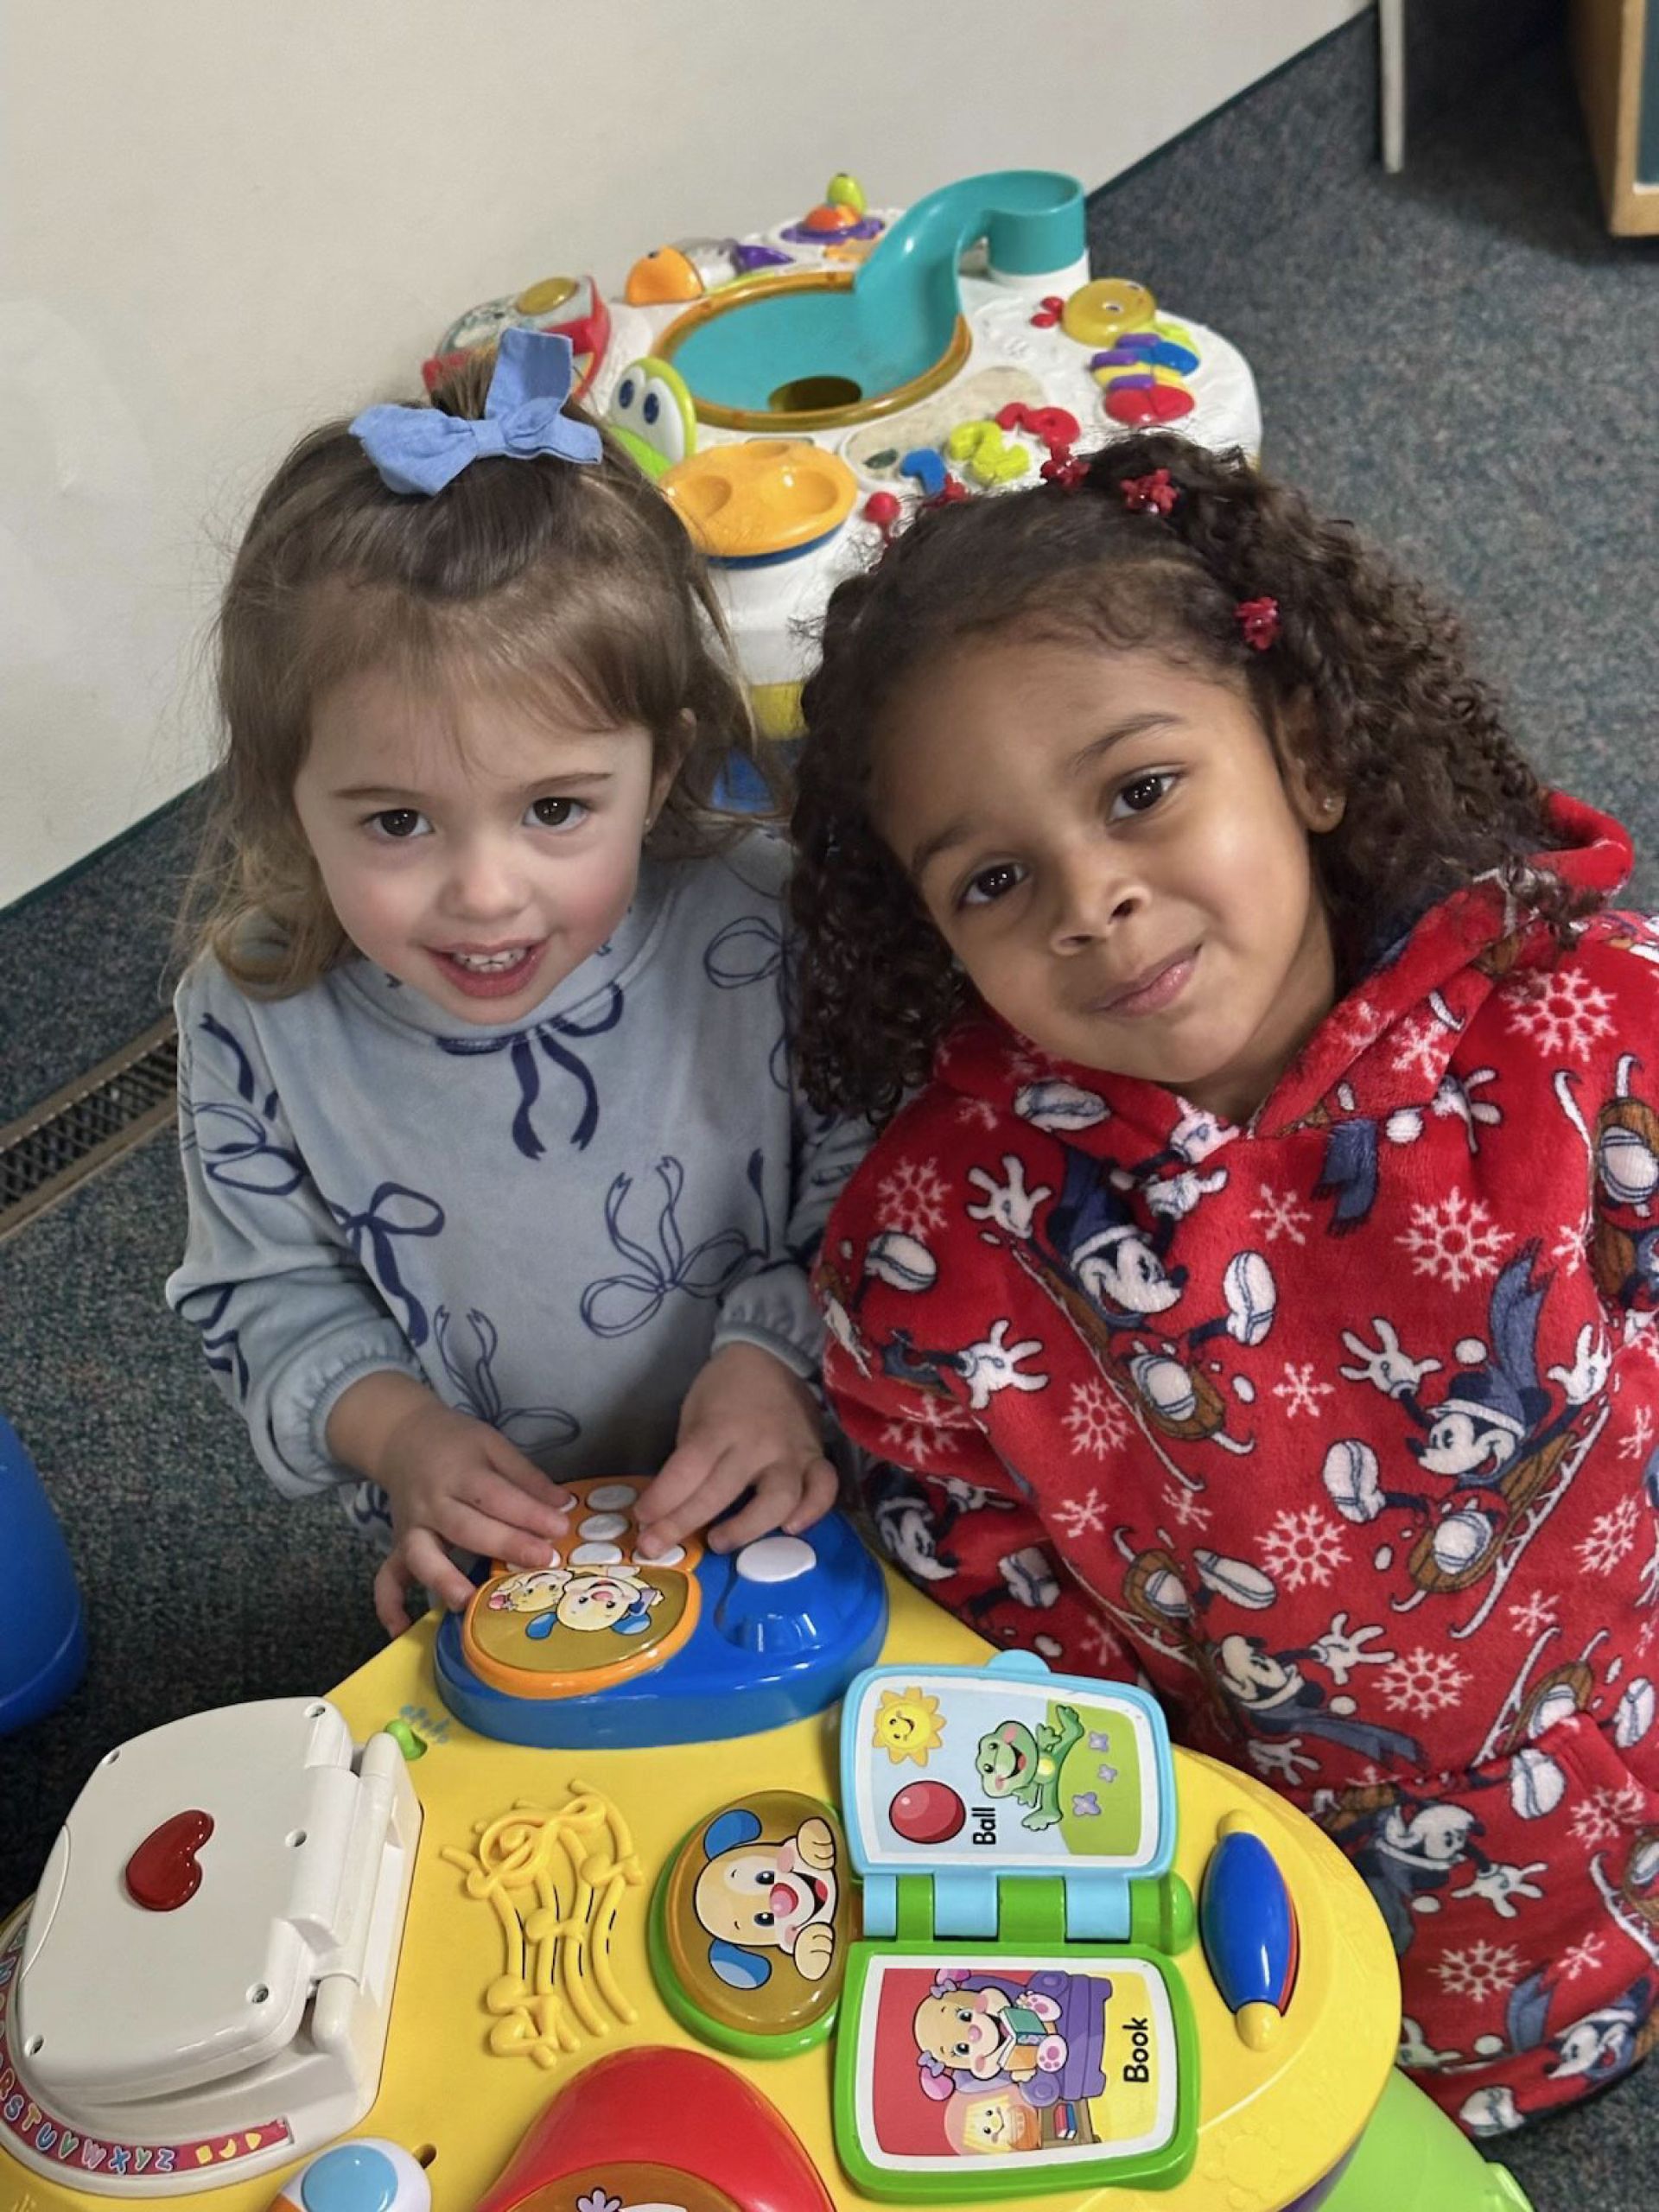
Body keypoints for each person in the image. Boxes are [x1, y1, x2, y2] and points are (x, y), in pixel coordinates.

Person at [789, 429, 1659, 2133]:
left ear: (1309, 752)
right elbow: (982, 1599)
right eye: (992, 879)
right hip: (1273, 1950)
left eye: (1139, 790)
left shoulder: (1604, 1036)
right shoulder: (933, 1254)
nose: (1095, 899)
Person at [168, 328, 867, 1637]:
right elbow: (261, 1293)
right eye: (395, 823)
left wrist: (775, 1359)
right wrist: (402, 1439)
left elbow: (873, 1173)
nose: (485, 892)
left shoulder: (764, 924)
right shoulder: (255, 1017)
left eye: (555, 807)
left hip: (799, 1488)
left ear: (660, 769)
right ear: (288, 800)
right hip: (505, 1562)